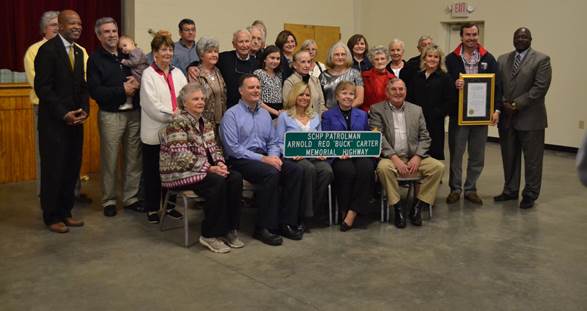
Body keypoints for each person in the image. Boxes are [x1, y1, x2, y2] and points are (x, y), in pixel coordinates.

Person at [220, 74, 304, 246]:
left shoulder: (265, 114)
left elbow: (272, 141)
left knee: (296, 170)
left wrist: (273, 155)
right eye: (251, 87)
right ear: (241, 91)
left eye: (258, 87)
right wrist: (264, 159)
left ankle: (286, 222)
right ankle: (263, 227)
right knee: (271, 174)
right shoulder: (231, 115)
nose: (256, 90)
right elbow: (233, 149)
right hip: (241, 159)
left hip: (265, 156)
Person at [160, 84, 244, 253]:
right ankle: (209, 234)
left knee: (234, 177)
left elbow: (214, 148)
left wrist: (219, 163)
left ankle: (229, 229)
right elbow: (181, 156)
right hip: (179, 173)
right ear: (184, 103)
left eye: (202, 99)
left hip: (201, 170)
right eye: (196, 99)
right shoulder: (177, 122)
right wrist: (209, 168)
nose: (201, 102)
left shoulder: (205, 122)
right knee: (217, 182)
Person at [25, 11, 91, 203]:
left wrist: (84, 109)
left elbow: (82, 85)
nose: (77, 26)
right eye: (72, 23)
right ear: (60, 26)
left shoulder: (78, 51)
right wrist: (64, 113)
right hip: (54, 121)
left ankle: (65, 210)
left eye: (79, 23)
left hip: (76, 120)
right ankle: (52, 216)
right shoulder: (46, 50)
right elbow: (43, 88)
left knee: (71, 167)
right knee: (54, 169)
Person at [369, 78, 445, 228]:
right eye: (394, 89)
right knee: (383, 169)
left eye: (401, 89)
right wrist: (395, 158)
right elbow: (378, 137)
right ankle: (397, 208)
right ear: (387, 92)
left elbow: (425, 137)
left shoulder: (416, 110)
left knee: (438, 168)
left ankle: (417, 206)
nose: (398, 92)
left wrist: (417, 156)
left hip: (413, 156)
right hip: (390, 157)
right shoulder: (376, 109)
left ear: (406, 91)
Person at [87, 17, 143, 217]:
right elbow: (95, 91)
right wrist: (122, 90)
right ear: (99, 36)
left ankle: (131, 198)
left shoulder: (128, 54)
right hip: (111, 115)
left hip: (134, 114)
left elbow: (144, 70)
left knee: (133, 158)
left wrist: (138, 84)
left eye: (114, 31)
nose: (111, 35)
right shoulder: (95, 59)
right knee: (110, 160)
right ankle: (109, 200)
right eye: (106, 32)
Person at [445, 23, 502, 205]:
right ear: (461, 37)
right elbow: (444, 85)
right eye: (468, 34)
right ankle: (455, 188)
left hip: (481, 116)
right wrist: (454, 85)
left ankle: (471, 189)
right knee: (457, 154)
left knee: (477, 155)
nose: (472, 38)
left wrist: (496, 109)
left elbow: (497, 87)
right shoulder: (450, 59)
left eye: (475, 34)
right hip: (459, 116)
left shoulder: (489, 58)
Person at [495, 27, 552, 209]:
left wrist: (516, 104)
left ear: (530, 39)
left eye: (524, 37)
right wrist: (503, 103)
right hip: (507, 119)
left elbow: (539, 88)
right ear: (513, 39)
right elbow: (498, 86)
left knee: (532, 160)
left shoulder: (542, 60)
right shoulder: (502, 59)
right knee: (509, 157)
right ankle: (510, 190)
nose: (520, 39)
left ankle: (530, 194)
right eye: (517, 37)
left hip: (531, 119)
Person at [140, 30, 188, 224]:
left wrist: (180, 113)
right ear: (154, 53)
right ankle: (152, 208)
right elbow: (150, 105)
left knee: (173, 171)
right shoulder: (148, 74)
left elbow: (186, 96)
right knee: (153, 172)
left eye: (170, 49)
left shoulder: (178, 73)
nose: (167, 53)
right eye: (163, 49)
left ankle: (169, 206)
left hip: (174, 133)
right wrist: (174, 114)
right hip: (154, 132)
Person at [275, 82, 333, 229]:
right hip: (294, 158)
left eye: (307, 95)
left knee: (326, 171)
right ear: (294, 95)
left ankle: (314, 209)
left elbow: (319, 140)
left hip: (313, 156)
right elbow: (279, 141)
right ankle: (305, 215)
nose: (305, 98)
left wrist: (321, 151)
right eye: (301, 94)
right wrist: (289, 152)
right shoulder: (284, 117)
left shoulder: (315, 117)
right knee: (309, 169)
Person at [322, 81, 375, 231]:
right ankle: (344, 209)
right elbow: (325, 139)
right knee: (347, 171)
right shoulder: (328, 115)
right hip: (338, 156)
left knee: (367, 168)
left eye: (351, 94)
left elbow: (366, 137)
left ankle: (352, 212)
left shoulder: (363, 115)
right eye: (344, 93)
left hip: (359, 154)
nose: (348, 97)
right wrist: (338, 152)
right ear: (337, 96)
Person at [405, 45, 453, 160]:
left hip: (435, 122)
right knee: (416, 151)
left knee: (433, 151)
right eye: (429, 56)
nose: (432, 59)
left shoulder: (445, 78)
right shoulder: (417, 76)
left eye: (436, 57)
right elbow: (410, 97)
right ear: (424, 58)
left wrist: (437, 113)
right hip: (416, 121)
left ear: (440, 60)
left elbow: (449, 101)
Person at [213, 29, 257, 109]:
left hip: (250, 108)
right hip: (228, 108)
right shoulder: (224, 58)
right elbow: (206, 61)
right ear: (234, 44)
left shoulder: (256, 62)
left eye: (247, 41)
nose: (244, 45)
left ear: (250, 43)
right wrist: (192, 67)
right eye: (241, 42)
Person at [190, 36, 227, 129]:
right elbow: (193, 100)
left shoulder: (218, 71)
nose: (214, 54)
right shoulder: (196, 73)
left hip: (221, 121)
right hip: (203, 123)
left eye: (215, 51)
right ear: (201, 55)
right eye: (210, 52)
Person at [320, 41, 364, 109]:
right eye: (337, 54)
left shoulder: (355, 73)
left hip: (350, 114)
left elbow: (359, 99)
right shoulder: (323, 75)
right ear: (331, 56)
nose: (340, 57)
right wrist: (330, 114)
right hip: (329, 115)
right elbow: (320, 100)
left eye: (343, 54)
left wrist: (343, 112)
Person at [283, 50, 326, 115]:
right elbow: (288, 106)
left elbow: (321, 104)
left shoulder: (315, 80)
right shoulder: (289, 82)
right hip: (296, 122)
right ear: (294, 65)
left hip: (316, 121)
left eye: (309, 62)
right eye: (303, 62)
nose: (307, 65)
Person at [361, 45, 396, 112]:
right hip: (368, 114)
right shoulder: (364, 76)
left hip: (387, 114)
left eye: (382, 59)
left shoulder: (393, 79)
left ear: (387, 60)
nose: (380, 62)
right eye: (376, 59)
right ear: (372, 61)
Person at [253, 45, 283, 118]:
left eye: (278, 58)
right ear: (264, 59)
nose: (275, 61)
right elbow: (256, 100)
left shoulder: (279, 75)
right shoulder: (258, 73)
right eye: (272, 58)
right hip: (263, 111)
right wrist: (274, 112)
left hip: (278, 112)